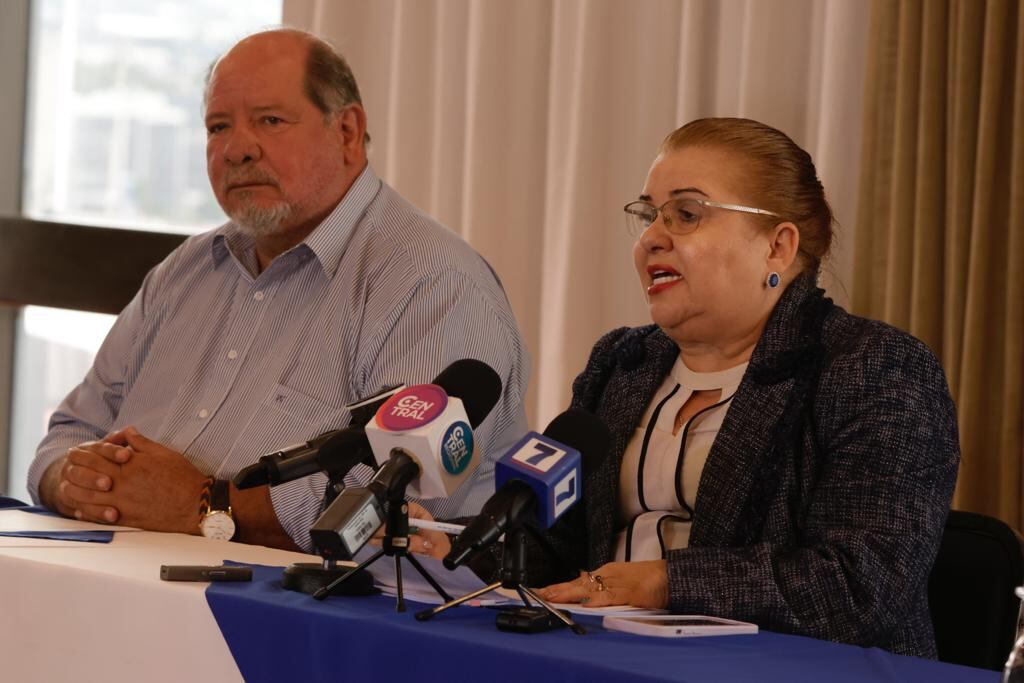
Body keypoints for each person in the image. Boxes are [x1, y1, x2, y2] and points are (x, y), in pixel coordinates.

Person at [407, 118, 958, 658]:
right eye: (649, 215)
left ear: (777, 247)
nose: (651, 238)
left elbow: (862, 585)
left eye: (686, 214)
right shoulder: (623, 363)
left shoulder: (873, 368)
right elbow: (557, 546)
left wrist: (666, 583)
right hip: (606, 660)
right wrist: (462, 549)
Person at [26, 28, 529, 553]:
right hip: (112, 579)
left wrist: (205, 504)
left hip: (306, 614)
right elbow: (69, 430)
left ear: (348, 132)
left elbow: (403, 500)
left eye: (270, 120)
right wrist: (75, 480)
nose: (237, 149)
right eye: (218, 127)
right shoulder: (186, 270)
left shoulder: (431, 281)